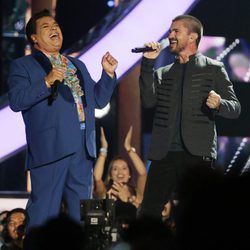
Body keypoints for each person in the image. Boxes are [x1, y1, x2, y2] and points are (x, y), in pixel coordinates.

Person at [7, 9, 118, 231]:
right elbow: (16, 101)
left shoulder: (77, 65)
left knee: (79, 218)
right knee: (43, 215)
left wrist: (108, 75)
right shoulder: (23, 66)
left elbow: (97, 100)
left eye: (55, 25)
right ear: (34, 38)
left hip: (82, 149)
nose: (54, 29)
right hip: (51, 149)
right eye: (46, 27)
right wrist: (46, 81)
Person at [138, 15, 241, 218]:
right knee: (149, 212)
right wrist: (148, 65)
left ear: (192, 36)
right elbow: (148, 102)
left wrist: (219, 104)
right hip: (163, 154)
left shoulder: (213, 68)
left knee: (200, 212)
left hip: (196, 154)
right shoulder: (162, 72)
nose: (170, 36)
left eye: (176, 31)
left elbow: (235, 108)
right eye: (170, 32)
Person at [93, 126, 147, 208]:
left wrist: (128, 147)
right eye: (115, 169)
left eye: (124, 168)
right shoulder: (105, 191)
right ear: (110, 175)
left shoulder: (136, 193)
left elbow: (142, 173)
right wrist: (104, 149)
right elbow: (97, 178)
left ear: (129, 174)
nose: (120, 172)